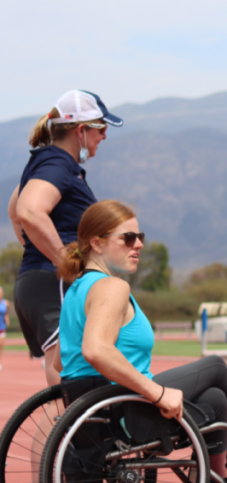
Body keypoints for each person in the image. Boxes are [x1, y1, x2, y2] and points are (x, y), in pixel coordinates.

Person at [37, 200, 227, 483]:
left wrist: (81, 401)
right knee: (216, 366)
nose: (139, 244)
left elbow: (60, 361)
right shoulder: (111, 287)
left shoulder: (75, 291)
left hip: (98, 416)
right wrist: (156, 393)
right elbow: (96, 351)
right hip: (126, 413)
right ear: (96, 244)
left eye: (139, 236)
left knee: (214, 399)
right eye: (127, 238)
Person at [7, 90, 121, 387]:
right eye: (101, 128)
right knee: (65, 374)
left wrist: (37, 253)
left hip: (39, 279)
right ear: (81, 131)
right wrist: (62, 260)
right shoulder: (58, 163)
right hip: (52, 281)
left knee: (64, 380)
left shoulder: (47, 162)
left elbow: (14, 211)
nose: (105, 136)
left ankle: (60, 435)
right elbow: (29, 211)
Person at [0, 285, 7, 371]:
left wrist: (7, 318)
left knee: (0, 345)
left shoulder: (6, 303)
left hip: (2, 327)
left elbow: (6, 312)